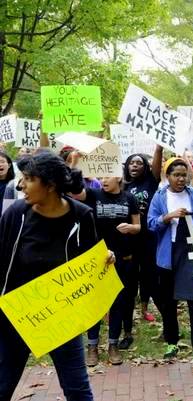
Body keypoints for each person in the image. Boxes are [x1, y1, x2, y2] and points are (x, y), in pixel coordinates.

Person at [0, 151, 115, 401]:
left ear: (50, 185)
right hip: (17, 314)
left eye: (29, 179)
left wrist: (106, 259)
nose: (21, 185)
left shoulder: (81, 215)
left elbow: (91, 261)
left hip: (61, 315)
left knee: (78, 391)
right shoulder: (16, 214)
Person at [148, 157, 193, 372]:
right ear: (168, 176)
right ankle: (171, 342)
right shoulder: (160, 196)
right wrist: (168, 217)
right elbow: (150, 223)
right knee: (168, 302)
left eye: (184, 175)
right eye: (176, 175)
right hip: (168, 255)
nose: (181, 179)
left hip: (192, 254)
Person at [78, 175, 141, 366]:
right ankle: (92, 346)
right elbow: (74, 191)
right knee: (95, 303)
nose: (103, 180)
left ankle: (113, 344)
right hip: (97, 258)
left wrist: (130, 227)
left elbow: (138, 226)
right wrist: (74, 162)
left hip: (122, 258)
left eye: (108, 176)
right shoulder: (93, 194)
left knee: (118, 301)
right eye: (101, 177)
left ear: (118, 177)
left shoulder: (130, 198)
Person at [123, 145, 163, 332]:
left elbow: (157, 163)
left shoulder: (151, 182)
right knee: (131, 275)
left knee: (148, 274)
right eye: (132, 162)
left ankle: (144, 308)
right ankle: (127, 311)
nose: (135, 166)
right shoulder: (122, 186)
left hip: (148, 237)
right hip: (129, 238)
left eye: (139, 163)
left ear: (145, 167)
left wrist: (159, 147)